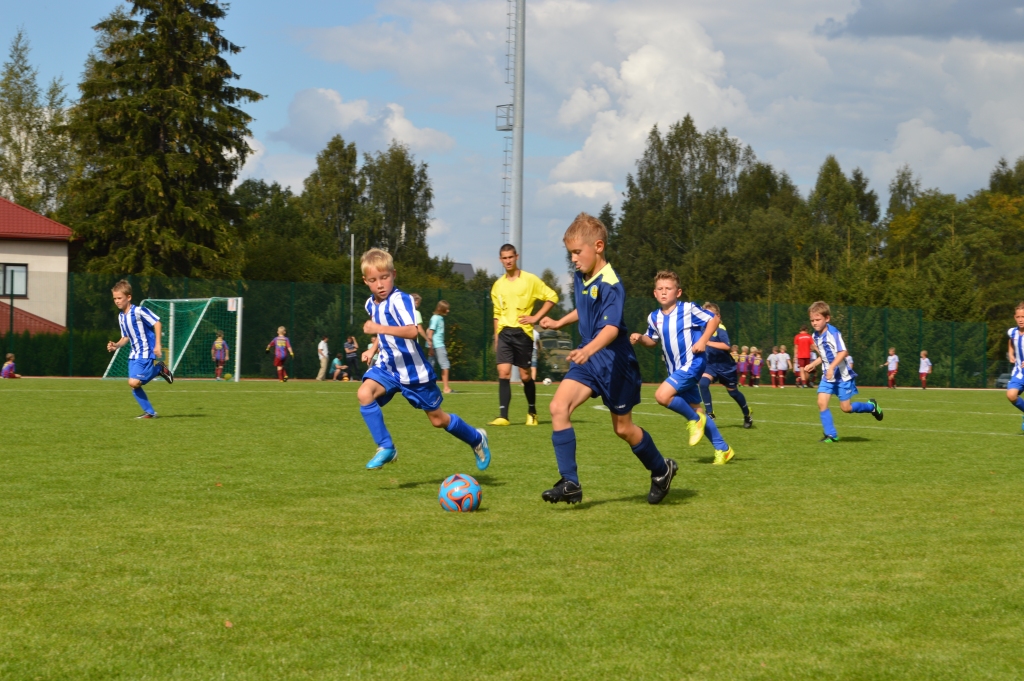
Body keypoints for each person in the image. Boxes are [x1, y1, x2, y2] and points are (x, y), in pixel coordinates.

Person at [539, 213, 678, 505]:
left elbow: (612, 328)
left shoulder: (612, 283)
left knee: (623, 429)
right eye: (570, 254)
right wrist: (559, 323)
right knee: (557, 406)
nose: (573, 260)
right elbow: (585, 309)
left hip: (615, 363)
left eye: (578, 252)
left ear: (598, 246)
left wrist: (589, 349)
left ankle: (661, 469)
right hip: (590, 360)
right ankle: (570, 482)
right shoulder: (581, 277)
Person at [357, 248, 492, 471]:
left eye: (384, 277)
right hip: (388, 367)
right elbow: (383, 333)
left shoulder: (401, 300)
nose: (380, 284)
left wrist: (377, 328)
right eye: (373, 280)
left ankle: (476, 438)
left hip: (413, 370)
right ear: (366, 281)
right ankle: (386, 447)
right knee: (364, 393)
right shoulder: (371, 303)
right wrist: (373, 348)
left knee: (438, 420)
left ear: (394, 274)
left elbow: (411, 331)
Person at [632, 273, 736, 466]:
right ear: (655, 293)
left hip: (693, 364)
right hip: (675, 370)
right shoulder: (653, 317)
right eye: (660, 289)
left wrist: (703, 341)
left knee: (662, 396)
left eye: (668, 288)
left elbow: (713, 320)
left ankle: (694, 420)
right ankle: (723, 449)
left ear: (678, 292)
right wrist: (640, 338)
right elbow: (652, 341)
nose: (664, 292)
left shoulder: (688, 309)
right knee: (698, 411)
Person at [489, 243, 559, 427]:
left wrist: (536, 317)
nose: (508, 261)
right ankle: (503, 415)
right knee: (503, 373)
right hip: (504, 332)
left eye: (510, 257)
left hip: (523, 333)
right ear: (500, 260)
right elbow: (496, 314)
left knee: (525, 376)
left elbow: (552, 297)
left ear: (516, 257)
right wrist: (496, 337)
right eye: (504, 258)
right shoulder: (497, 286)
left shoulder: (530, 280)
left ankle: (532, 411)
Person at [801, 301, 883, 442]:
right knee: (821, 402)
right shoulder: (815, 336)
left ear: (827, 318)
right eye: (812, 320)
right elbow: (825, 356)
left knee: (846, 408)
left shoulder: (833, 333)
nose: (814, 323)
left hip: (842, 377)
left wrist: (832, 367)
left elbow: (843, 352)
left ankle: (871, 407)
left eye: (818, 319)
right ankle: (831, 435)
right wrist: (813, 363)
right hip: (828, 376)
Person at [106, 279, 173, 418]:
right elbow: (125, 337)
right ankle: (150, 412)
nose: (117, 301)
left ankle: (159, 369)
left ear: (128, 297)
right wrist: (116, 345)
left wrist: (158, 344)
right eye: (115, 298)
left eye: (120, 298)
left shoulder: (139, 311)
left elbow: (157, 323)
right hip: (134, 354)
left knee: (133, 382)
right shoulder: (121, 317)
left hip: (146, 351)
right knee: (134, 385)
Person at [697, 302, 752, 428]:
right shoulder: (702, 328)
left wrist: (707, 342)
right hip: (710, 364)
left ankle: (747, 413)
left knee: (733, 393)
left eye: (711, 315)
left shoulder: (720, 328)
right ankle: (710, 413)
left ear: (718, 316)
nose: (708, 318)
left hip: (726, 367)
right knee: (703, 383)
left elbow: (726, 346)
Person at [1004, 302, 1024, 432]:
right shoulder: (1013, 332)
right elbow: (1010, 342)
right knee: (1011, 395)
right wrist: (1011, 354)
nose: (1021, 320)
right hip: (1019, 372)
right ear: (1014, 317)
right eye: (1018, 317)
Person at [427, 300, 452, 394]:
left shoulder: (439, 318)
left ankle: (428, 388)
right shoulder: (436, 318)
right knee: (445, 366)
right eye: (446, 309)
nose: (448, 311)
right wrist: (431, 348)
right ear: (441, 309)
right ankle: (446, 388)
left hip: (436, 345)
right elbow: (430, 334)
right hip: (437, 346)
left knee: (430, 367)